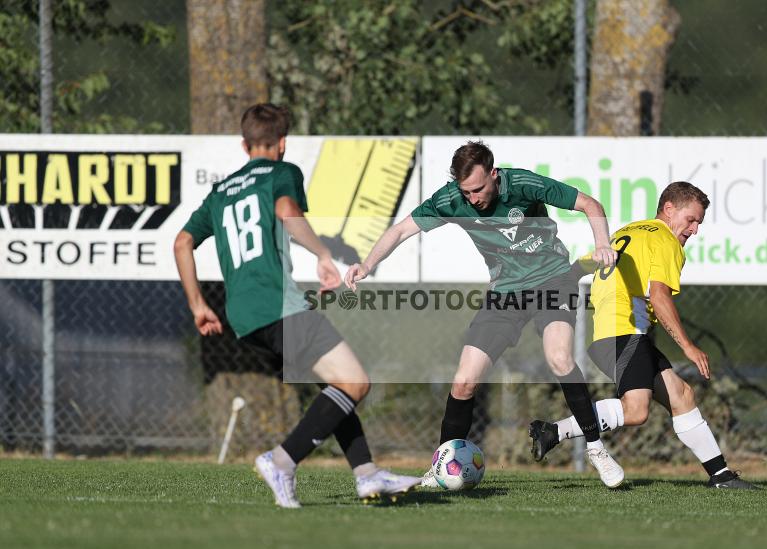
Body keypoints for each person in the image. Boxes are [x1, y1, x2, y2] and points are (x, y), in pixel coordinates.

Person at [173, 103, 419, 508]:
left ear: (244, 144)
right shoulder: (282, 173)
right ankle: (281, 461)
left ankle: (367, 475)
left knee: (337, 385)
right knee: (355, 382)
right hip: (277, 306)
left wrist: (198, 304)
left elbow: (182, 243)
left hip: (243, 316)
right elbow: (287, 212)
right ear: (282, 143)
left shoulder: (219, 193)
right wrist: (323, 256)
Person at [344, 140, 626, 488]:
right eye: (466, 191)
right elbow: (402, 229)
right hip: (504, 293)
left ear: (494, 174)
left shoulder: (523, 184)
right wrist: (367, 264)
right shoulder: (452, 200)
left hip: (553, 279)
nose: (473, 198)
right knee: (463, 382)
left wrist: (602, 242)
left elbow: (589, 204)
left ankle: (596, 448)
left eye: (478, 189)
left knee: (559, 358)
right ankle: (440, 468)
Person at [528, 181, 756, 489]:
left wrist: (565, 282)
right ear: (669, 209)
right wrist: (688, 346)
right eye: (691, 220)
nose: (694, 229)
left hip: (614, 333)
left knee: (681, 395)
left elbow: (583, 264)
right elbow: (659, 296)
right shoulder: (665, 240)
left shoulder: (629, 231)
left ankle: (721, 475)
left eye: (699, 223)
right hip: (625, 333)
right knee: (636, 410)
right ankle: (553, 431)